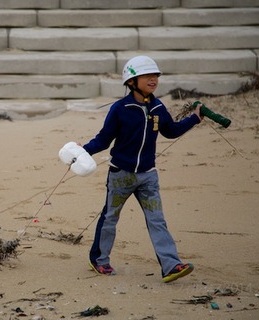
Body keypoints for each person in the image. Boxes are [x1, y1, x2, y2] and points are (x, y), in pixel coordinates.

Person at [82, 55, 203, 283]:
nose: (153, 80)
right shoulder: (120, 108)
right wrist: (82, 151)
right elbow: (104, 139)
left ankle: (170, 266)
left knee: (157, 220)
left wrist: (194, 119)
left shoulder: (158, 107)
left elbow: (172, 131)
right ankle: (99, 260)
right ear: (131, 81)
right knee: (109, 219)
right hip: (121, 175)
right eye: (147, 76)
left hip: (148, 176)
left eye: (155, 76)